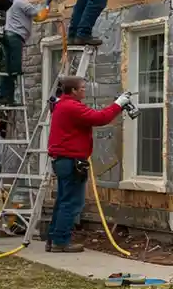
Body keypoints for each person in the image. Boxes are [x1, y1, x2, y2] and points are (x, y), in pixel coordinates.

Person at [45, 76, 133, 253]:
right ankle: (61, 242)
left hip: (63, 160)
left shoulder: (62, 104)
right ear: (74, 91)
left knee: (63, 200)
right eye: (83, 88)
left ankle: (54, 239)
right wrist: (118, 103)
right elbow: (100, 118)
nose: (85, 90)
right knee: (72, 202)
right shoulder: (71, 107)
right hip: (70, 161)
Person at [0, 0, 53, 106]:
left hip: (9, 35)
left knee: (9, 66)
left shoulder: (14, 1)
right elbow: (39, 18)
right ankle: (10, 97)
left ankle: (5, 96)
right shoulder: (23, 4)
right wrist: (47, 5)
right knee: (15, 68)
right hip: (15, 37)